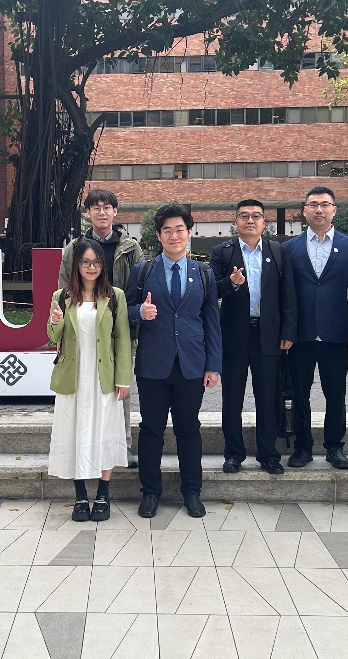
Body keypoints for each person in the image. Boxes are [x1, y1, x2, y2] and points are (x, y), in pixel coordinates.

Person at [126, 203, 222, 519]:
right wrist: (140, 312)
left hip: (191, 365)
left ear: (189, 232)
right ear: (158, 235)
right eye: (167, 230)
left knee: (189, 429)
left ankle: (192, 492)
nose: (174, 235)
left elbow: (212, 322)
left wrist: (213, 365)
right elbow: (122, 312)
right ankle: (150, 493)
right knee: (151, 430)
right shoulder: (142, 272)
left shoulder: (204, 273)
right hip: (153, 366)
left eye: (179, 229)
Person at [48, 238, 132, 522]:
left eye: (96, 262)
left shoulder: (115, 296)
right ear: (77, 265)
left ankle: (103, 495)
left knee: (105, 434)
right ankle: (81, 496)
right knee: (75, 433)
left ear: (102, 265)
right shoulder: (62, 296)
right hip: (73, 378)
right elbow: (52, 336)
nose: (91, 267)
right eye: (85, 262)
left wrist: (123, 379)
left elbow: (122, 340)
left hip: (103, 379)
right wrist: (55, 321)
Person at [211, 199, 297, 475]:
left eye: (256, 216)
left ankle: (268, 454)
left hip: (268, 335)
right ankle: (233, 454)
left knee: (268, 397)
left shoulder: (277, 251)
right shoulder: (222, 252)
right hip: (234, 336)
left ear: (264, 222)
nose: (250, 220)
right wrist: (231, 283)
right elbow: (212, 291)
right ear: (235, 221)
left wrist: (288, 331)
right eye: (244, 216)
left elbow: (288, 294)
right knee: (232, 398)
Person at [281, 187, 348, 469]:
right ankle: (302, 446)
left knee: (335, 394)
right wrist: (286, 331)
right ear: (304, 210)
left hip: (335, 334)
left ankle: (334, 446)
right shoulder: (289, 248)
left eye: (325, 204)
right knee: (299, 393)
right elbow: (285, 295)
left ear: (334, 210)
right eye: (313, 204)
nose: (319, 209)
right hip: (300, 335)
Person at [60, 189, 142, 466]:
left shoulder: (130, 248)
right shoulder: (75, 248)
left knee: (120, 387)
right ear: (88, 213)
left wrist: (131, 320)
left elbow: (138, 285)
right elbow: (64, 288)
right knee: (84, 386)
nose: (102, 212)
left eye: (107, 207)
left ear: (115, 212)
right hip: (83, 324)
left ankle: (123, 445)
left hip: (118, 326)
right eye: (96, 208)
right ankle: (84, 445)